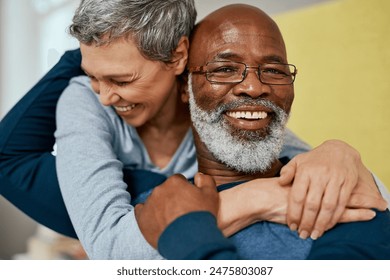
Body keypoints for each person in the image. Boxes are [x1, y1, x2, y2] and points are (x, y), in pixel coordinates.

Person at [0, 0, 387, 259]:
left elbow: (320, 169)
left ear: (178, 58)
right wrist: (257, 198)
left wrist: (340, 154)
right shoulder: (85, 97)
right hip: (136, 207)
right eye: (94, 76)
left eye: (121, 78)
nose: (105, 95)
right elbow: (109, 246)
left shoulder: (223, 105)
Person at [134, 4, 390, 259]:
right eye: (224, 69)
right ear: (184, 88)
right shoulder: (137, 194)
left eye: (273, 71)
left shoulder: (343, 197)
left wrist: (188, 234)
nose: (254, 87)